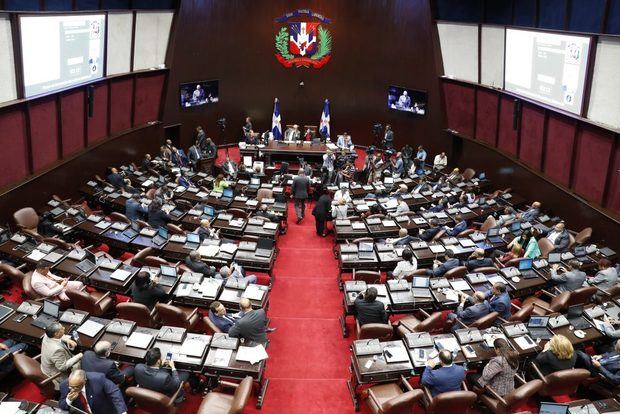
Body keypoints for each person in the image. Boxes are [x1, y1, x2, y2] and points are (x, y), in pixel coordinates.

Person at [59, 370, 127, 414]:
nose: (73, 389)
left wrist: (122, 412)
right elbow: (62, 405)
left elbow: (114, 392)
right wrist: (69, 400)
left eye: (76, 386)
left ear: (84, 381)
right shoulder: (64, 386)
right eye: (71, 386)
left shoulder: (98, 378)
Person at [41, 322, 83, 388]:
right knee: (77, 364)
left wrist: (68, 340)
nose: (64, 328)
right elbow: (62, 367)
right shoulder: (56, 350)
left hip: (49, 364)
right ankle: (79, 382)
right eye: (61, 328)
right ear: (56, 333)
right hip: (56, 374)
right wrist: (79, 355)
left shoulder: (47, 335)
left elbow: (58, 337)